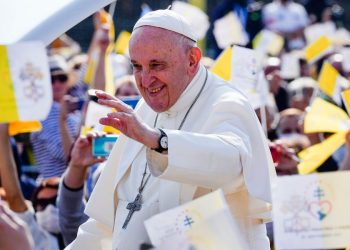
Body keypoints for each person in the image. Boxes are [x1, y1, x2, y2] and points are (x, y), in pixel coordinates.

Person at [67, 9, 275, 250]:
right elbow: (107, 223)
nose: (145, 80)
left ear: (192, 60)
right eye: (137, 66)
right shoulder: (145, 110)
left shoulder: (226, 102)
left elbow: (235, 164)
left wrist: (159, 141)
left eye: (156, 65)